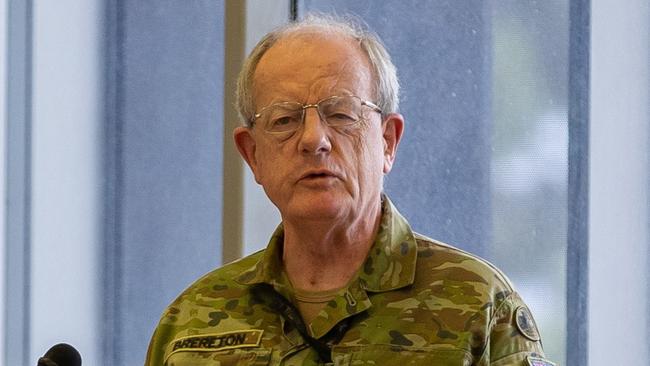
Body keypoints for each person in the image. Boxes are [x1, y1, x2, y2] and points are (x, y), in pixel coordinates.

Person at [145, 15, 555, 366]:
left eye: (341, 114)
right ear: (252, 155)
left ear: (388, 141)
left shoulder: (479, 307)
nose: (313, 140)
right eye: (284, 120)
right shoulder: (191, 322)